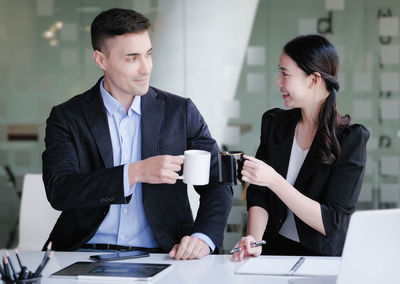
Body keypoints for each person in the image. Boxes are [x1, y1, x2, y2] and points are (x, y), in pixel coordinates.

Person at [42, 8, 232, 260]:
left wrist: (202, 237)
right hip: (84, 251)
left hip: (164, 253)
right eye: (132, 58)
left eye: (148, 54)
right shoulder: (68, 117)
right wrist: (135, 172)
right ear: (101, 60)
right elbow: (60, 190)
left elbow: (218, 180)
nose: (146, 68)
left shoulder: (180, 111)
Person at [231, 34, 369, 260]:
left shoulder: (351, 140)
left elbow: (331, 222)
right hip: (273, 253)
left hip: (321, 261)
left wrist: (275, 180)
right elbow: (259, 193)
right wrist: (253, 240)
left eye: (285, 74)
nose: (278, 81)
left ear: (314, 80)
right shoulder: (275, 123)